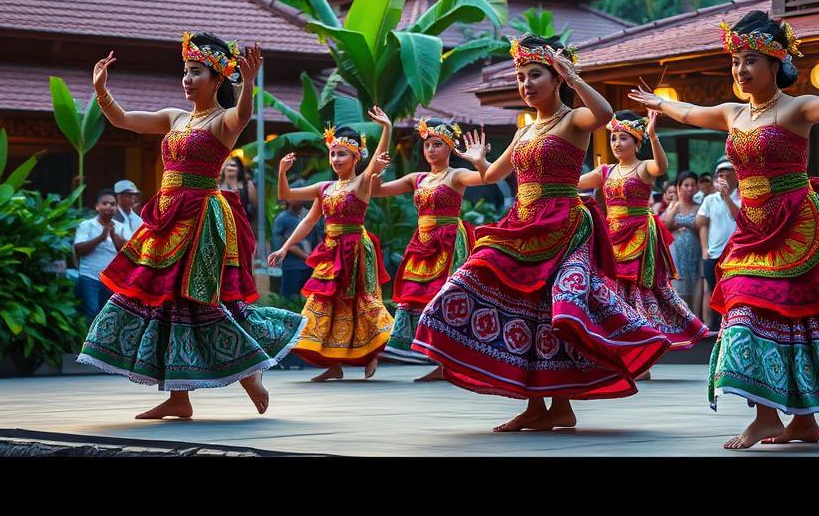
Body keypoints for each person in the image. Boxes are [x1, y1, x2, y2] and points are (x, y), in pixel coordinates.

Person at [631, 12, 819, 449]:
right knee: (753, 309)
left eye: (751, 60)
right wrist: (659, 104)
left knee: (792, 314)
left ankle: (788, 418)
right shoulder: (733, 113)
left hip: (794, 223)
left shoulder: (796, 107)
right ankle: (783, 417)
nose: (740, 70)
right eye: (736, 61)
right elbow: (691, 111)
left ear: (776, 64)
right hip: (753, 224)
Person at [412, 34, 669, 433]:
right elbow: (493, 175)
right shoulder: (522, 132)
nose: (526, 84)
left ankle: (559, 405)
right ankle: (537, 405)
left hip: (564, 222)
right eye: (520, 77)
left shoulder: (573, 119)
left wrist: (574, 76)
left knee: (557, 311)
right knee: (506, 298)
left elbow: (602, 115)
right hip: (522, 222)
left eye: (535, 75)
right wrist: (480, 159)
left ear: (556, 78)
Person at [78, 33, 305, 420]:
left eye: (196, 72)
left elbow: (243, 115)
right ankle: (179, 398)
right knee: (161, 300)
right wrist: (101, 90)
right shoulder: (175, 117)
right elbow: (123, 120)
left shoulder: (223, 122)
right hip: (166, 218)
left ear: (218, 79)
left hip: (202, 220)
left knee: (199, 300)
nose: (186, 78)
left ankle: (250, 373)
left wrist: (248, 84)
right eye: (185, 71)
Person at [271, 112, 395, 380]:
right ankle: (334, 365)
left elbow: (376, 161)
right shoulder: (324, 187)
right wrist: (282, 172)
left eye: (342, 154)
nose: (336, 159)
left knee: (361, 303)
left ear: (355, 157)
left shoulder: (362, 183)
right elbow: (291, 202)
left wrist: (387, 128)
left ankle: (372, 353)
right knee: (324, 302)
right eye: (333, 154)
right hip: (330, 249)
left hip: (356, 248)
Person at [370, 119, 489, 381]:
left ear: (448, 148)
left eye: (438, 144)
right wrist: (376, 168)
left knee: (443, 297)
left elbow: (485, 177)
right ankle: (437, 360)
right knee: (415, 295)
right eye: (427, 145)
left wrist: (478, 160)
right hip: (423, 241)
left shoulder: (456, 175)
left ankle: (447, 363)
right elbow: (376, 190)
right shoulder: (417, 179)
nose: (431, 150)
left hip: (449, 241)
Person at [578, 111, 707, 352]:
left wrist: (653, 135)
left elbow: (662, 166)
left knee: (639, 293)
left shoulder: (644, 167)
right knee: (612, 292)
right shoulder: (604, 171)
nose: (617, 143)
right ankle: (623, 347)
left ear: (637, 142)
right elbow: (572, 182)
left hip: (638, 237)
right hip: (612, 238)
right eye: (613, 138)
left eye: (623, 138)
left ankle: (644, 348)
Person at [72, 188, 131, 321]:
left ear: (116, 208)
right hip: (90, 277)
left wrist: (114, 235)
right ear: (97, 207)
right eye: (104, 203)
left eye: (112, 204)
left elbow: (127, 252)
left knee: (108, 315)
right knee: (92, 312)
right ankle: (87, 342)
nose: (108, 206)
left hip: (111, 279)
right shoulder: (86, 225)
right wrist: (101, 237)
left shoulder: (121, 227)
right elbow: (78, 249)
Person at [696, 158, 740, 331]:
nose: (723, 178)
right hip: (713, 253)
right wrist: (705, 250)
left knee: (732, 290)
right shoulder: (710, 199)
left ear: (736, 177)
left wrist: (726, 198)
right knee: (713, 290)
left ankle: (730, 325)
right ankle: (712, 326)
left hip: (735, 254)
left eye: (727, 174)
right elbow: (700, 221)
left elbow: (739, 218)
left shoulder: (742, 197)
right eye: (720, 175)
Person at [661, 170, 705, 318]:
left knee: (695, 282)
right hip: (676, 251)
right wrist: (675, 205)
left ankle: (696, 319)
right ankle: (679, 320)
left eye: (693, 185)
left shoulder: (700, 206)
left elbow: (700, 225)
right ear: (679, 187)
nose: (690, 188)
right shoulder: (673, 206)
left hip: (695, 251)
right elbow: (666, 224)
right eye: (686, 185)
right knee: (677, 285)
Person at [272, 197, 312, 300]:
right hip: (292, 267)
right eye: (296, 195)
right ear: (288, 199)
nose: (300, 198)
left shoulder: (305, 216)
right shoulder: (283, 218)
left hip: (307, 267)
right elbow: (284, 243)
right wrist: (305, 257)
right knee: (288, 300)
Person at [220, 156, 257, 223]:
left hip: (242, 223)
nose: (230, 167)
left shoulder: (247, 185)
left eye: (233, 165)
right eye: (228, 165)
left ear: (239, 168)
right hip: (222, 224)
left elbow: (255, 208)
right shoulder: (217, 185)